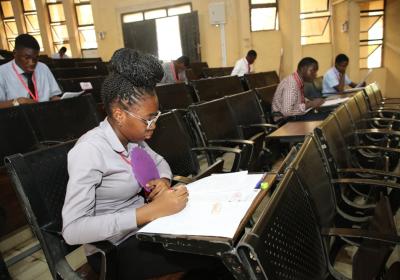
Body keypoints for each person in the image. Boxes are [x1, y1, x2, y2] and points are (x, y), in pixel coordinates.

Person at [62, 48, 232, 280]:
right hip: (115, 247)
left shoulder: (133, 139)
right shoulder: (89, 151)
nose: (154, 125)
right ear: (119, 114)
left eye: (156, 116)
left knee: (216, 245)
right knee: (210, 258)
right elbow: (72, 230)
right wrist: (148, 211)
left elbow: (160, 162)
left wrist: (162, 181)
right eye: (148, 119)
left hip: (146, 228)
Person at [0, 34, 61, 109]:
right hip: (17, 117)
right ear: (15, 53)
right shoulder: (2, 72)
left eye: (35, 58)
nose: (32, 62)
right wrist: (18, 101)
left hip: (44, 114)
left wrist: (60, 101)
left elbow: (53, 96)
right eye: (27, 58)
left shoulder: (43, 68)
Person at [272, 57, 326, 122]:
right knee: (325, 118)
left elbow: (296, 100)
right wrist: (310, 104)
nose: (315, 74)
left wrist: (312, 102)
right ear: (303, 69)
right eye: (313, 71)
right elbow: (286, 112)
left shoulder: (297, 80)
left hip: (295, 116)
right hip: (285, 120)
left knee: (327, 114)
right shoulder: (291, 84)